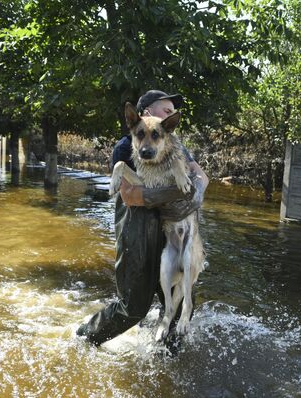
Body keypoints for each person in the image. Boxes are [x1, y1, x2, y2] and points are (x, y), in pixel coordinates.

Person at [76, 90, 209, 351]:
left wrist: (196, 195)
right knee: (134, 307)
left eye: (172, 114)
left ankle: (166, 358)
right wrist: (173, 192)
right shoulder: (126, 146)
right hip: (136, 229)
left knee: (181, 300)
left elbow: (201, 177)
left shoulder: (175, 146)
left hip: (169, 227)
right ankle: (84, 338)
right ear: (146, 113)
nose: (170, 117)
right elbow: (130, 195)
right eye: (166, 111)